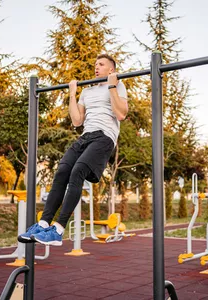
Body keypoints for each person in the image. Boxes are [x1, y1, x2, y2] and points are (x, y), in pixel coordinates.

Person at [18, 54, 128, 246]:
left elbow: (121, 114)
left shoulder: (118, 85)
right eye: (95, 64)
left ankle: (58, 230)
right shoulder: (87, 91)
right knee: (62, 172)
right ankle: (43, 224)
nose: (96, 67)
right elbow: (77, 121)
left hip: (104, 136)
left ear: (111, 69)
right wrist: (72, 93)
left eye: (101, 64)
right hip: (85, 136)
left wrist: (111, 85)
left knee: (78, 171)